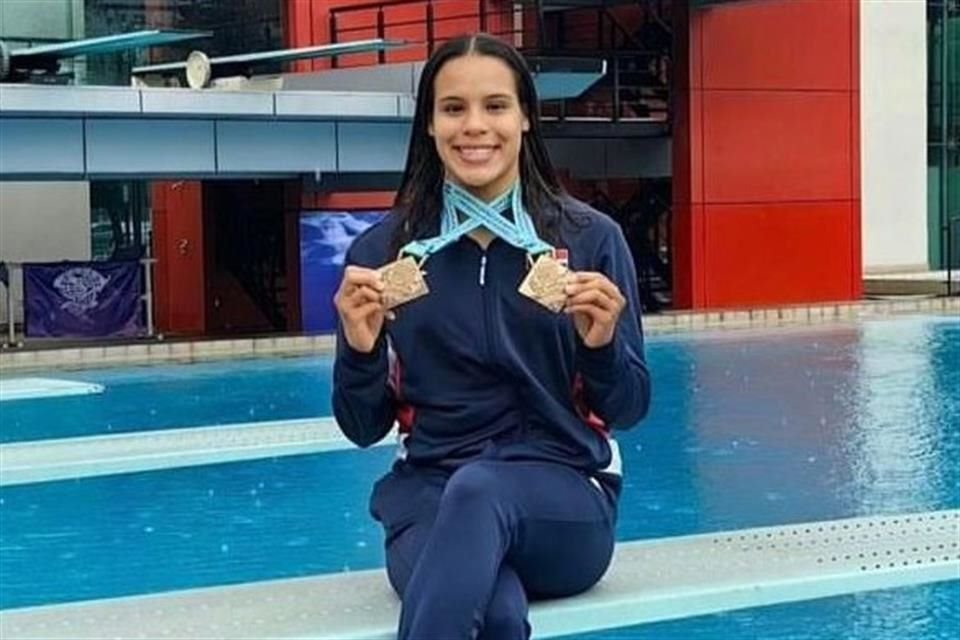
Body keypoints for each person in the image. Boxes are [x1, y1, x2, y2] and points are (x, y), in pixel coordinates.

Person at [332, 33, 651, 640]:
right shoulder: (383, 254)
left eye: (495, 106)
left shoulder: (589, 240)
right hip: (429, 494)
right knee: (497, 616)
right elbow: (361, 426)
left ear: (525, 117)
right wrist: (361, 349)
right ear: (429, 123)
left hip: (563, 499)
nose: (474, 127)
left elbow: (629, 408)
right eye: (453, 108)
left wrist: (602, 345)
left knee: (480, 488)